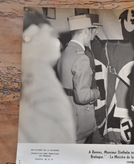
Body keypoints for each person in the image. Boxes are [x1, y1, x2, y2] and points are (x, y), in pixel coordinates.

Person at [18, 7, 76, 143]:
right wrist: (34, 59)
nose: (58, 44)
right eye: (50, 34)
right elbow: (59, 138)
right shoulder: (35, 70)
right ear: (32, 33)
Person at [57, 15, 100, 144]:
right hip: (79, 117)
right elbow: (82, 96)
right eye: (91, 31)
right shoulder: (82, 58)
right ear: (86, 31)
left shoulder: (65, 52)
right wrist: (97, 92)